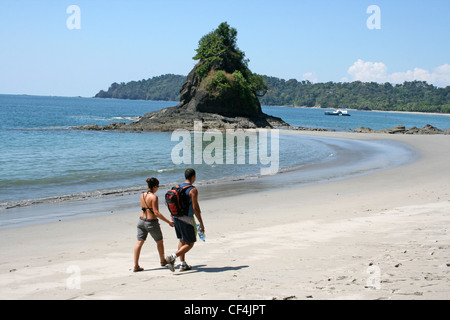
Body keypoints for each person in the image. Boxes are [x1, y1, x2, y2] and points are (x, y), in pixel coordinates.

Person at [166, 168, 205, 272]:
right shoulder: (193, 190)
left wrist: (172, 216)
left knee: (182, 241)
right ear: (193, 177)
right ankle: (172, 257)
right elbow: (196, 208)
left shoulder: (177, 187)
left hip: (175, 217)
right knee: (190, 243)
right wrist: (201, 222)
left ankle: (183, 264)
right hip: (186, 219)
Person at [133, 177, 174, 272]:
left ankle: (136, 265)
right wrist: (169, 221)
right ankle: (162, 261)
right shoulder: (154, 197)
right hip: (151, 222)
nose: (158, 188)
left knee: (139, 242)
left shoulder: (142, 195)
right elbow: (156, 213)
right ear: (155, 186)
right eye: (158, 187)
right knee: (159, 242)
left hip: (141, 221)